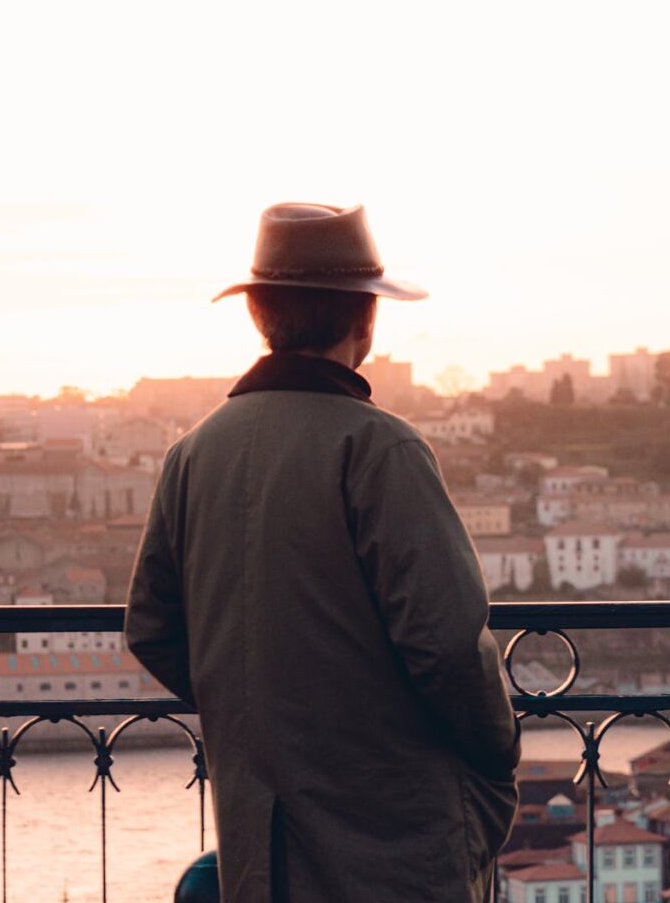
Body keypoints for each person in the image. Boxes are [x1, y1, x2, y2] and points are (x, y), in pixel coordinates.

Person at [126, 202, 520, 903]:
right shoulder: (378, 448)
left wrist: (261, 714)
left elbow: (153, 630)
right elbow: (448, 645)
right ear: (363, 317)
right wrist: (494, 761)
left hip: (259, 834)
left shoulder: (193, 454)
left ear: (260, 317)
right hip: (391, 830)